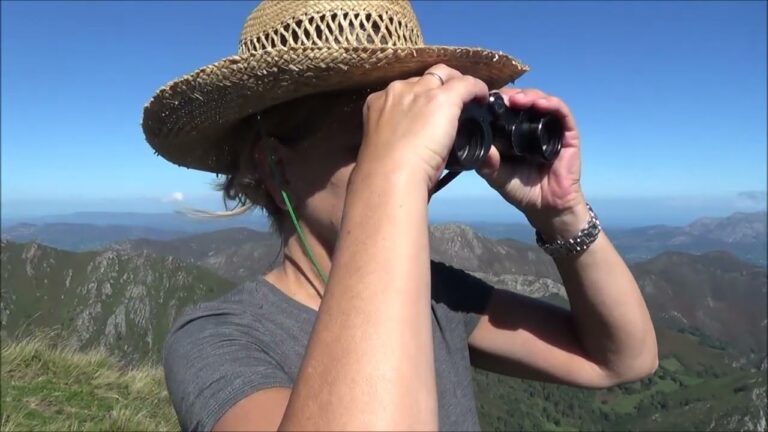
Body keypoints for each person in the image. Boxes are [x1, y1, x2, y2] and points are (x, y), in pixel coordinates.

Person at [142, 1, 658, 431]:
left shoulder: (435, 296)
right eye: (374, 136)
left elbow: (620, 359)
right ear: (275, 167)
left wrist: (563, 215)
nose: (426, 167)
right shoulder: (220, 339)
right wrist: (393, 171)